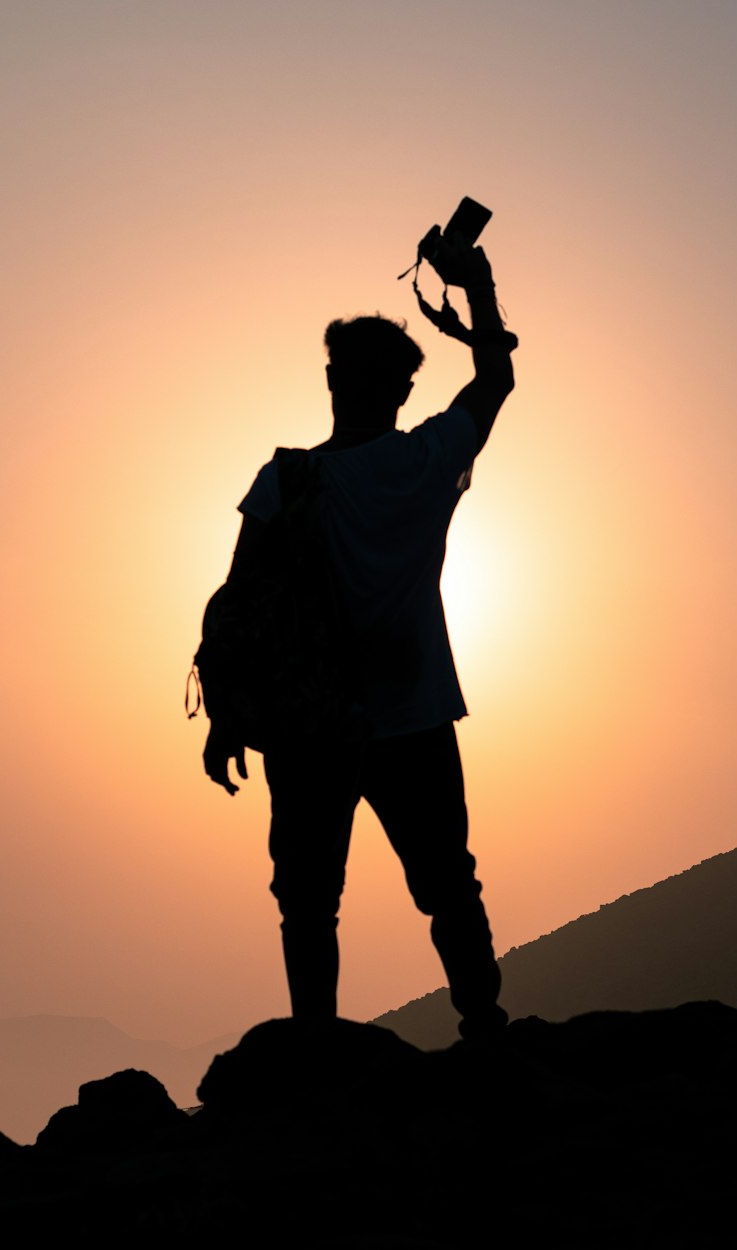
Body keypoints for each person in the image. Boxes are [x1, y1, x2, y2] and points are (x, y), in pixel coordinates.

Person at [202, 234, 515, 1039]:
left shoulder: (286, 480)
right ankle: (483, 1026)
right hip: (413, 714)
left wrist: (231, 717)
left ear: (335, 379)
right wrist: (476, 288)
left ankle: (314, 1048)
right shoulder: (426, 460)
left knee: (308, 898)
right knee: (447, 879)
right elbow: (496, 380)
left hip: (308, 723)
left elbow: (239, 602)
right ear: (404, 389)